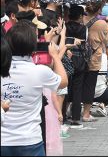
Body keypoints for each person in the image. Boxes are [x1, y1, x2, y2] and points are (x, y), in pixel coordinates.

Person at [1, 20, 68, 156]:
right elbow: (63, 81)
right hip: (30, 139)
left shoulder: (3, 71)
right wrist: (55, 55)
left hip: (3, 140)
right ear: (33, 46)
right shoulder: (40, 72)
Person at [81, 0, 108, 123]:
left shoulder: (81, 19)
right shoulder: (101, 23)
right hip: (93, 58)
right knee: (90, 86)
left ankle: (73, 111)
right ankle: (86, 114)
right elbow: (106, 40)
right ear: (99, 10)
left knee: (77, 85)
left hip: (79, 57)